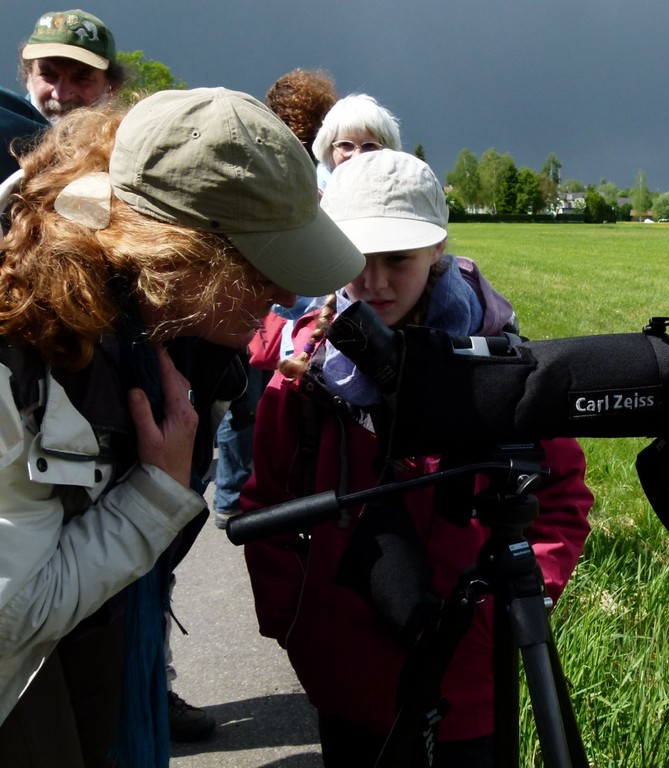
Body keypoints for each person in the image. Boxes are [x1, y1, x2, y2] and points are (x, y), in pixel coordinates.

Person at [0, 87, 363, 767]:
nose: (289, 295)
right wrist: (154, 500)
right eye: (265, 265)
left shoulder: (146, 318)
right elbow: (8, 619)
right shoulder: (17, 353)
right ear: (175, 252)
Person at [240, 149, 594, 767]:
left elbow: (561, 496)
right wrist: (294, 622)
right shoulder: (303, 375)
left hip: (469, 682)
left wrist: (512, 607)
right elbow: (267, 502)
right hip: (344, 677)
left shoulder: (502, 371)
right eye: (356, 259)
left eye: (397, 259)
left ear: (437, 251)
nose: (374, 282)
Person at [212, 68, 339, 530]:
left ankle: (237, 498)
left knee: (246, 402)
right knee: (261, 401)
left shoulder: (261, 160)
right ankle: (248, 496)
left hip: (277, 299)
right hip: (288, 298)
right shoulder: (309, 176)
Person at [18, 8, 130, 124]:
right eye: (48, 75)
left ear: (111, 89)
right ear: (28, 77)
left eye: (80, 78)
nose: (60, 96)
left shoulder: (128, 139)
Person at [310, 92, 402, 192]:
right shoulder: (307, 199)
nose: (357, 156)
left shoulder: (400, 193)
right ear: (328, 148)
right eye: (346, 145)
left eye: (369, 146)